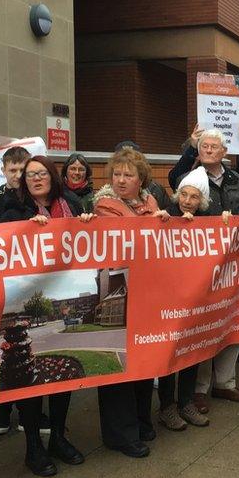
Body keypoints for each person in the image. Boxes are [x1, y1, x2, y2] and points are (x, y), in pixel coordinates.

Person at [0, 156, 87, 475]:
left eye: (41, 173)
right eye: (29, 174)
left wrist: (88, 224)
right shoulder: (12, 206)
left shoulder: (71, 203)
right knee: (29, 381)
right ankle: (33, 446)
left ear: (52, 176)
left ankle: (58, 437)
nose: (35, 178)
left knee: (62, 372)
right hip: (26, 296)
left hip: (61, 286)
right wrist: (21, 230)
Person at [89, 148, 170, 457]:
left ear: (141, 180)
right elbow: (131, 235)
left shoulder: (150, 202)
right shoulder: (105, 206)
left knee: (143, 362)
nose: (121, 180)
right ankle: (120, 433)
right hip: (119, 290)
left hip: (147, 293)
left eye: (128, 175)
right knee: (119, 366)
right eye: (117, 175)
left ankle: (139, 420)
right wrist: (154, 220)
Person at [170, 127, 239, 408]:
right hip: (202, 265)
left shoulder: (235, 178)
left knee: (230, 319)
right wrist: (189, 147)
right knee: (205, 323)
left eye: (213, 146)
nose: (207, 150)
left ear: (223, 151)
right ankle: (200, 388)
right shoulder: (190, 176)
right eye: (203, 146)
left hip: (232, 263)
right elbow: (175, 184)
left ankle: (225, 383)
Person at [0, 147, 50, 437]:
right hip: (0, 284)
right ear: (4, 171)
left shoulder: (38, 201)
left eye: (23, 170)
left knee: (29, 351)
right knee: (2, 350)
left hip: (31, 283)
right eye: (13, 170)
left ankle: (31, 412)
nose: (19, 176)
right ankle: (3, 410)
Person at [156, 167, 217, 430]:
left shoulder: (208, 223)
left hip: (194, 301)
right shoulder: (166, 219)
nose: (187, 201)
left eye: (193, 197)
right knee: (169, 355)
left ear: (201, 201)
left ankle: (186, 402)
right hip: (169, 302)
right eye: (184, 194)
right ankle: (167, 407)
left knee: (191, 353)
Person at [114, 140, 171, 210]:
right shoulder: (106, 203)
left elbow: (169, 212)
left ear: (141, 178)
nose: (121, 180)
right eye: (116, 174)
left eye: (128, 175)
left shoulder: (154, 193)